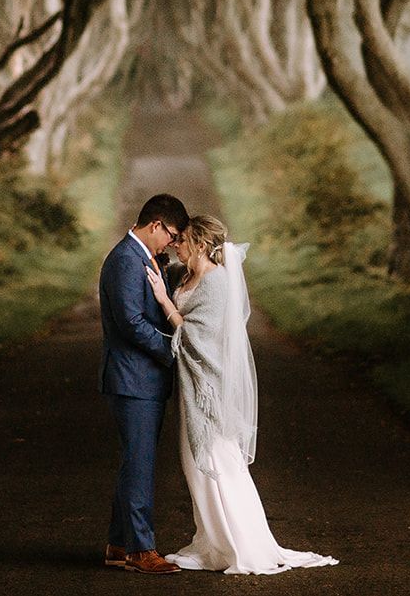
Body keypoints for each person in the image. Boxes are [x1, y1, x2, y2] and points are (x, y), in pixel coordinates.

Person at [145, 215, 339, 575]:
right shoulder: (187, 275)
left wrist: (164, 302)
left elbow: (199, 337)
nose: (177, 244)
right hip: (190, 384)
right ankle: (214, 542)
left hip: (209, 387)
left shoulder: (217, 283)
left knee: (220, 464)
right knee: (195, 467)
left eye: (183, 239)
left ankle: (242, 544)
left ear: (202, 244)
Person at [98, 193, 190, 575]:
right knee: (140, 466)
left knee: (134, 463)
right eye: (170, 234)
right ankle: (140, 550)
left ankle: (119, 545)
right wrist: (176, 350)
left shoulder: (146, 257)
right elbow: (131, 324)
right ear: (155, 225)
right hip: (132, 379)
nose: (171, 242)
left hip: (143, 380)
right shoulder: (124, 260)